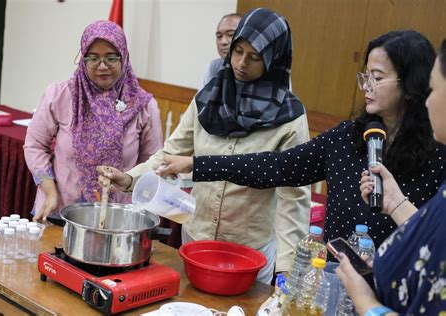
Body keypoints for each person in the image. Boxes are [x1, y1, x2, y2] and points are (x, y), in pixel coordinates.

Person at [156, 30, 446, 249]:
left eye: (378, 77)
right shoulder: (347, 137)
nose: (367, 87)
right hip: (334, 278)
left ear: (411, 84)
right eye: (365, 76)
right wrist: (196, 165)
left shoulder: (438, 156)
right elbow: (276, 166)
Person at [98, 8, 311, 284]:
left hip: (249, 251)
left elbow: (293, 198)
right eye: (238, 51)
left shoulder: (289, 117)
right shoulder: (208, 98)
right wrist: (129, 179)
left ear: (273, 59)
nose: (241, 63)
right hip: (196, 239)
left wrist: (287, 268)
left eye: (255, 57)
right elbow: (170, 154)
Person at [335, 38, 446, 316]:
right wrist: (396, 204)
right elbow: (430, 240)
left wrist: (367, 303)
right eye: (366, 76)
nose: (428, 99)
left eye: (433, 89)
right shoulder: (350, 135)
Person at [24, 20, 163, 225]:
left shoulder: (144, 106)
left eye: (111, 58)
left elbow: (152, 163)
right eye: (93, 58)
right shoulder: (60, 94)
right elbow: (34, 145)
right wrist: (49, 191)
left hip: (119, 218)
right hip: (60, 209)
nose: (102, 66)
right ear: (82, 59)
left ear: (124, 57)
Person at [199, 13, 241, 89]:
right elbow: (200, 100)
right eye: (219, 36)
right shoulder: (213, 67)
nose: (223, 41)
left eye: (231, 34)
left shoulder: (254, 69)